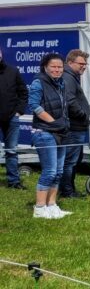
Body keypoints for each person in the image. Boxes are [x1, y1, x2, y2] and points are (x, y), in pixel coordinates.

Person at [29, 53, 72, 218]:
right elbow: (34, 105)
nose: (57, 70)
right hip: (45, 132)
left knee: (59, 172)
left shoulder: (61, 83)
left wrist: (62, 125)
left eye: (60, 67)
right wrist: (53, 122)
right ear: (45, 67)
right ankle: (40, 209)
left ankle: (52, 205)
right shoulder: (38, 82)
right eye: (53, 66)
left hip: (60, 132)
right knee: (50, 171)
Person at [59, 49, 90, 200]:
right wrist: (82, 114)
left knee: (74, 160)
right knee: (70, 161)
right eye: (81, 64)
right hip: (73, 127)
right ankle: (67, 191)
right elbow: (69, 101)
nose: (84, 66)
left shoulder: (72, 76)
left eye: (86, 64)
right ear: (70, 62)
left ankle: (69, 189)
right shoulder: (68, 77)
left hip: (77, 126)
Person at [0, 45, 28, 189]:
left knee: (12, 151)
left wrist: (19, 111)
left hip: (11, 118)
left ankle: (14, 182)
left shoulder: (12, 71)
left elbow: (23, 93)